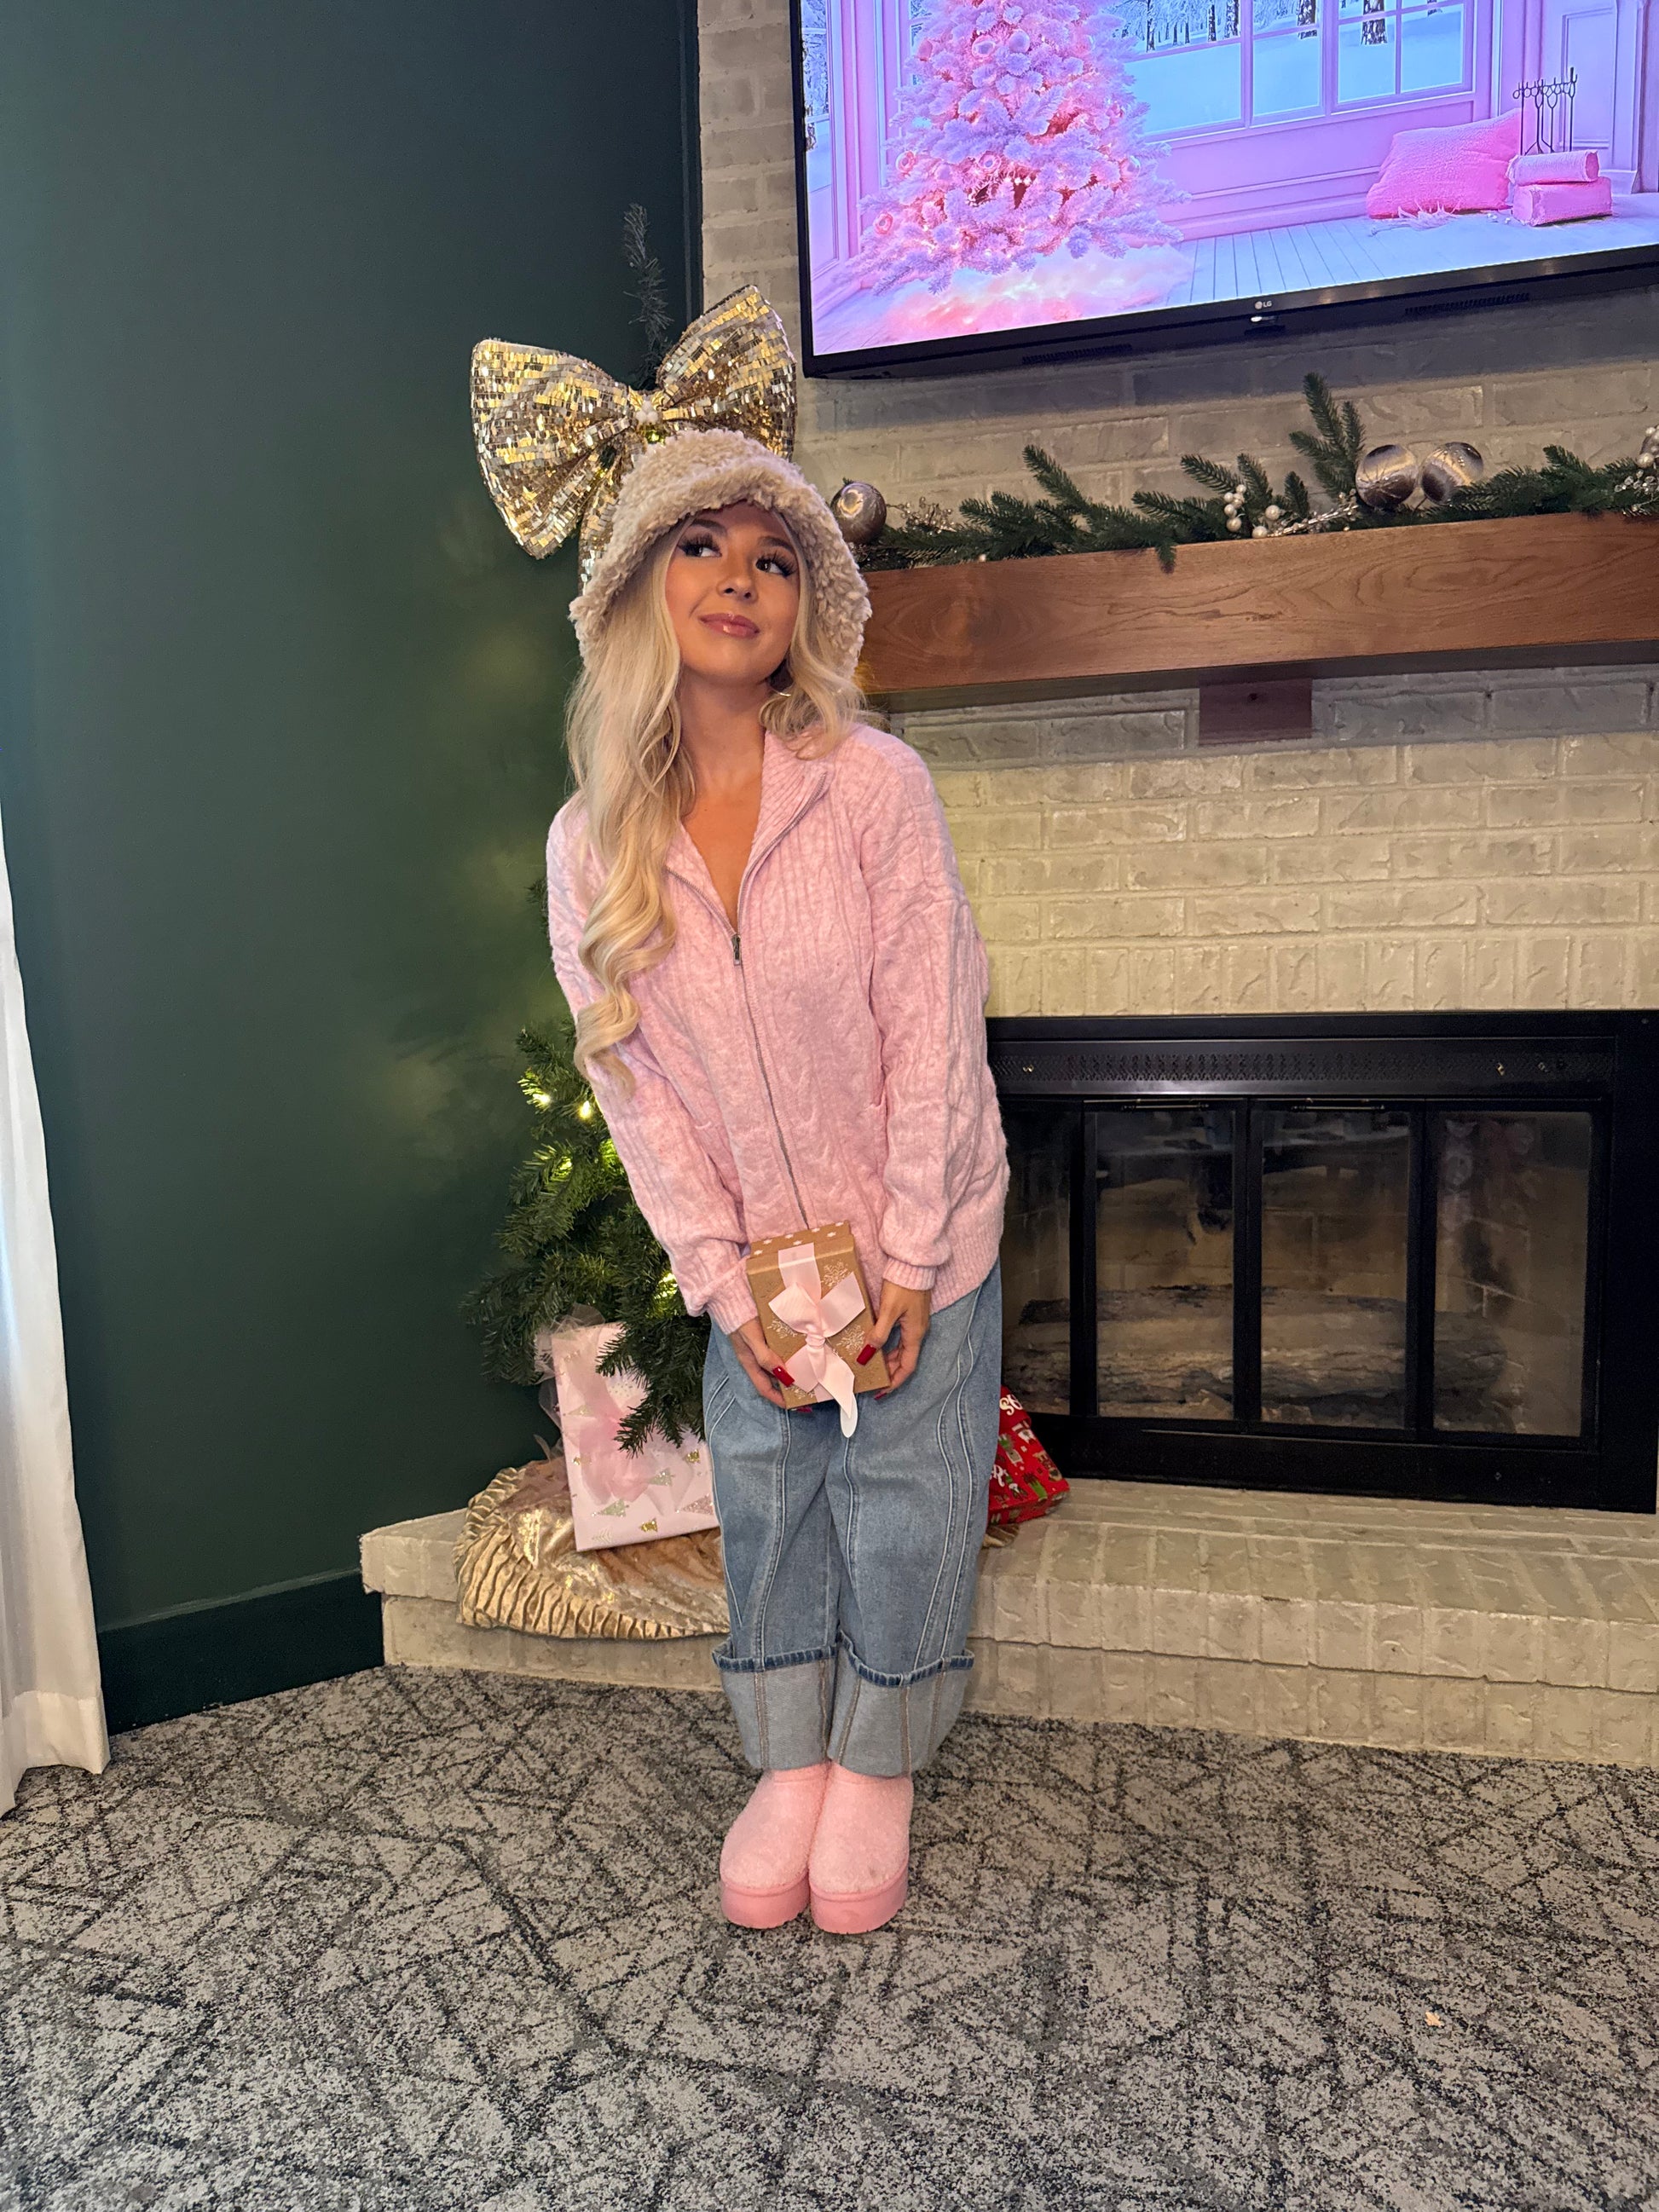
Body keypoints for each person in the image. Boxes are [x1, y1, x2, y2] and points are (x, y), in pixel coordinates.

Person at [476, 308, 1008, 1935]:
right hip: (755, 1268)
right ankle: (790, 1759)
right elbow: (635, 1090)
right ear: (639, 589)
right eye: (699, 547)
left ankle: (878, 1765)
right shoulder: (588, 842)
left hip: (918, 1238)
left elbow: (932, 1027)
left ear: (804, 606)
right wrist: (720, 1281)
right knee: (771, 1505)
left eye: (773, 558)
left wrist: (909, 1256)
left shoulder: (874, 787)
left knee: (906, 1505)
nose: (738, 579)